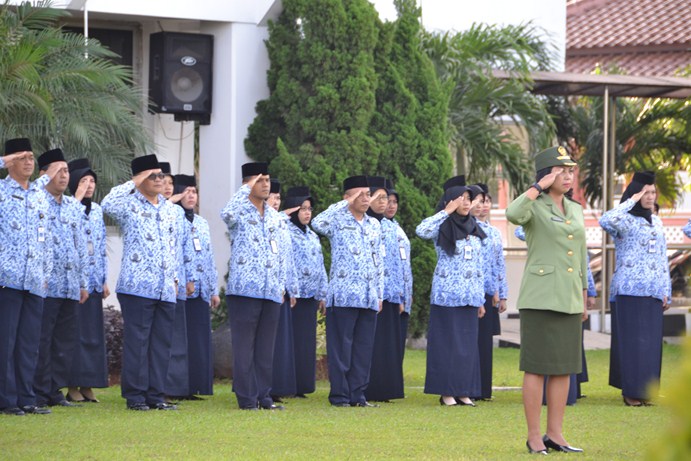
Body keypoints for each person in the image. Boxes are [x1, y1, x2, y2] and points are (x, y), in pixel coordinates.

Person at [506, 146, 587, 454]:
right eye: (561, 171)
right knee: (537, 367)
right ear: (547, 174)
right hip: (540, 297)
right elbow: (513, 214)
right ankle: (534, 435)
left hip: (568, 296)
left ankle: (556, 434)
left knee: (564, 367)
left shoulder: (575, 208)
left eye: (571, 171)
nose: (568, 176)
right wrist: (537, 187)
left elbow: (579, 253)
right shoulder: (533, 205)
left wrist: (583, 293)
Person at [101, 154, 182, 411]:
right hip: (137, 286)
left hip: (166, 287)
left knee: (161, 344)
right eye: (153, 176)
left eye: (161, 175)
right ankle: (135, 396)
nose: (160, 180)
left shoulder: (172, 210)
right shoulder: (128, 205)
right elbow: (107, 203)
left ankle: (156, 395)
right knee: (138, 343)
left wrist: (177, 278)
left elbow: (176, 248)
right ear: (140, 179)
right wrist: (133, 182)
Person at [599, 171, 671, 407]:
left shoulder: (656, 221)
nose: (650, 197)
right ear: (636, 194)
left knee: (650, 344)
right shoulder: (625, 220)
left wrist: (666, 289)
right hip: (629, 289)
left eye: (652, 192)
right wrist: (630, 199)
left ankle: (646, 390)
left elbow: (662, 258)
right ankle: (630, 391)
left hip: (653, 290)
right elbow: (605, 219)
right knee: (633, 343)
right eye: (645, 192)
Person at [0, 138, 61, 416]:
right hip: (7, 279)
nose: (28, 162)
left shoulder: (39, 195)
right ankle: (6, 400)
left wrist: (46, 273)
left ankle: (27, 397)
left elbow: (46, 238)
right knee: (5, 342)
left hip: (35, 281)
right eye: (22, 157)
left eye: (31, 158)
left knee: (28, 344)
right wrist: (3, 161)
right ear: (10, 160)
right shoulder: (1, 190)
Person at [220, 162, 288, 411]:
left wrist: (281, 285)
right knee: (244, 347)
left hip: (271, 291)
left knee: (265, 349)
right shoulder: (239, 212)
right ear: (248, 184)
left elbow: (281, 253)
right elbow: (225, 213)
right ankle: (247, 399)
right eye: (260, 180)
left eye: (268, 180)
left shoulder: (274, 217)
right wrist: (244, 190)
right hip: (245, 291)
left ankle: (264, 397)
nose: (266, 184)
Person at [312, 175, 383, 408]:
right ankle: (340, 395)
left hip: (368, 296)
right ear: (347, 197)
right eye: (359, 194)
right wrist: (343, 203)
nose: (366, 198)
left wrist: (379, 293)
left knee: (363, 349)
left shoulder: (374, 225)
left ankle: (358, 395)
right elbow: (317, 223)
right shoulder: (336, 220)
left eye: (368, 194)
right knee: (341, 349)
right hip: (342, 296)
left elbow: (378, 262)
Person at [416, 184, 486, 407]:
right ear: (450, 201)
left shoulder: (475, 228)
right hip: (447, 296)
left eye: (469, 199)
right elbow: (421, 230)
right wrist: (446, 211)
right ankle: (446, 392)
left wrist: (481, 299)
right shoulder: (442, 226)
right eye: (461, 199)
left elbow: (478, 265)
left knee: (466, 348)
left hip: (470, 297)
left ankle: (463, 391)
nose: (466, 203)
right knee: (447, 346)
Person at [514, 225, 597, 405]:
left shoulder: (573, 213)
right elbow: (519, 226)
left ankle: (567, 397)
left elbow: (583, 261)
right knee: (541, 353)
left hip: (570, 292)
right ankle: (542, 401)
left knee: (565, 354)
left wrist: (588, 291)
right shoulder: (538, 211)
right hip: (543, 291)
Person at [33, 149, 89, 409]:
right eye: (58, 171)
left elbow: (81, 245)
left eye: (66, 171)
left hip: (68, 286)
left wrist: (83, 283)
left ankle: (54, 390)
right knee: (41, 341)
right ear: (44, 174)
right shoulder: (34, 200)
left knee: (63, 342)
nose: (64, 176)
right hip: (44, 286)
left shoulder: (72, 207)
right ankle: (37, 391)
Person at [66, 158, 109, 403]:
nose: (89, 185)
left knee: (93, 335)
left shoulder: (98, 210)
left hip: (93, 283)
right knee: (75, 334)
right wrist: (77, 199)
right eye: (83, 180)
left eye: (92, 181)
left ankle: (88, 384)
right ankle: (72, 385)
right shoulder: (68, 207)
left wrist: (103, 279)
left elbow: (101, 246)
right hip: (74, 283)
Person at [173, 174, 220, 398]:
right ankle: (181, 385)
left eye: (194, 191)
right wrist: (187, 279)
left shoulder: (201, 222)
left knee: (199, 339)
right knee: (184, 340)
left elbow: (209, 257)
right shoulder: (173, 219)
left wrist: (213, 289)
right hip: (182, 290)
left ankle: (196, 385)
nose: (191, 196)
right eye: (187, 191)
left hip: (201, 291)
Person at [283, 186, 328, 398]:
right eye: (303, 209)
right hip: (293, 296)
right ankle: (288, 384)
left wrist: (322, 294)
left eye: (310, 209)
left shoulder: (312, 236)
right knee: (290, 341)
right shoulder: (285, 231)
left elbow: (320, 265)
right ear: (292, 210)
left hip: (310, 296)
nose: (307, 213)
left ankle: (302, 385)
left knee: (305, 342)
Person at [365, 176, 405, 403]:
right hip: (371, 293)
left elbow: (396, 263)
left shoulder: (391, 227)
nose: (386, 203)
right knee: (372, 343)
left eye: (388, 199)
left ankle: (387, 389)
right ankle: (370, 388)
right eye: (380, 198)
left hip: (390, 293)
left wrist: (400, 295)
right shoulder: (366, 224)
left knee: (387, 344)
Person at [470, 183, 507, 401]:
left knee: (485, 342)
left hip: (488, 292)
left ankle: (484, 389)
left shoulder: (494, 232)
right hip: (472, 291)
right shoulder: (466, 228)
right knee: (471, 341)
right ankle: (470, 387)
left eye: (486, 202)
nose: (483, 206)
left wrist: (501, 293)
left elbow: (498, 264)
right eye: (479, 201)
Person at [160, 168, 192, 400]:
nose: (168, 186)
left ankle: (177, 388)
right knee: (163, 341)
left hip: (176, 284)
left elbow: (184, 248)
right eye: (164, 182)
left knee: (178, 340)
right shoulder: (155, 211)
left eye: (172, 183)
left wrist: (188, 277)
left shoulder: (177, 214)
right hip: (154, 285)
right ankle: (161, 388)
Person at [268, 178, 300, 402]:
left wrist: (292, 288)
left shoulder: (282, 223)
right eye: (273, 197)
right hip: (268, 290)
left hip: (283, 290)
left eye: (279, 198)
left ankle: (277, 387)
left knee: (280, 344)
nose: (277, 202)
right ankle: (263, 388)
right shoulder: (262, 221)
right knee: (266, 343)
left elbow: (288, 259)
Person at [382, 180, 413, 361]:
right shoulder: (381, 227)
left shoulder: (396, 226)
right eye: (388, 201)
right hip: (391, 296)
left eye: (394, 202)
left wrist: (408, 294)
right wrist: (399, 296)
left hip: (403, 295)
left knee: (399, 344)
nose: (391, 206)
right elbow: (389, 267)